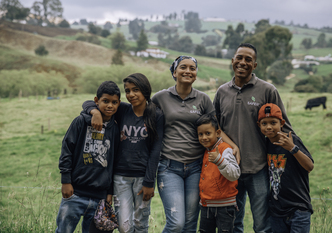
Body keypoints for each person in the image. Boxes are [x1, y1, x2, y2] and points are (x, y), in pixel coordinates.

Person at [152, 55, 240, 233]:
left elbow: (216, 128)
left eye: (192, 68)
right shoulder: (160, 98)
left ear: (196, 74)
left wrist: (233, 146)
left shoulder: (203, 99)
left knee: (191, 224)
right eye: (183, 67)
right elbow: (142, 119)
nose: (188, 71)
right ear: (174, 72)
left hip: (196, 167)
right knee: (176, 223)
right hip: (169, 167)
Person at [213, 43, 293, 233]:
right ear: (232, 61)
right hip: (229, 170)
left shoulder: (267, 91)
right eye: (239, 58)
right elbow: (214, 128)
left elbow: (285, 127)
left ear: (255, 65)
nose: (242, 62)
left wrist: (295, 156)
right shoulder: (221, 92)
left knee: (262, 226)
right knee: (233, 226)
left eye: (248, 59)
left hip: (259, 168)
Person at [83, 73, 164, 233]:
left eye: (135, 90)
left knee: (141, 224)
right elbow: (88, 103)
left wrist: (149, 182)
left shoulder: (156, 115)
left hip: (142, 178)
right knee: (124, 226)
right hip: (120, 177)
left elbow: (156, 149)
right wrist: (95, 112)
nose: (131, 94)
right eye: (127, 91)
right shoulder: (122, 110)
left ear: (145, 90)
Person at [56, 81, 121, 233]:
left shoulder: (115, 130)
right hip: (75, 194)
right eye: (105, 101)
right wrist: (66, 180)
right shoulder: (81, 122)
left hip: (100, 199)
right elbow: (67, 149)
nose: (110, 105)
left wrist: (109, 192)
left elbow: (113, 163)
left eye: (114, 102)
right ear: (96, 101)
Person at [257, 103, 314, 233]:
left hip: (298, 209)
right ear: (258, 125)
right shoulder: (265, 144)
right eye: (264, 123)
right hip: (277, 211)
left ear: (282, 123)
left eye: (273, 122)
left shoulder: (291, 140)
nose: (269, 127)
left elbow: (309, 166)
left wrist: (293, 149)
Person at [196, 113, 240, 233]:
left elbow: (235, 174)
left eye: (208, 133)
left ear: (218, 133)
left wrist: (219, 160)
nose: (204, 137)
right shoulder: (207, 150)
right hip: (206, 206)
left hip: (224, 207)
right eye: (200, 134)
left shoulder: (225, 149)